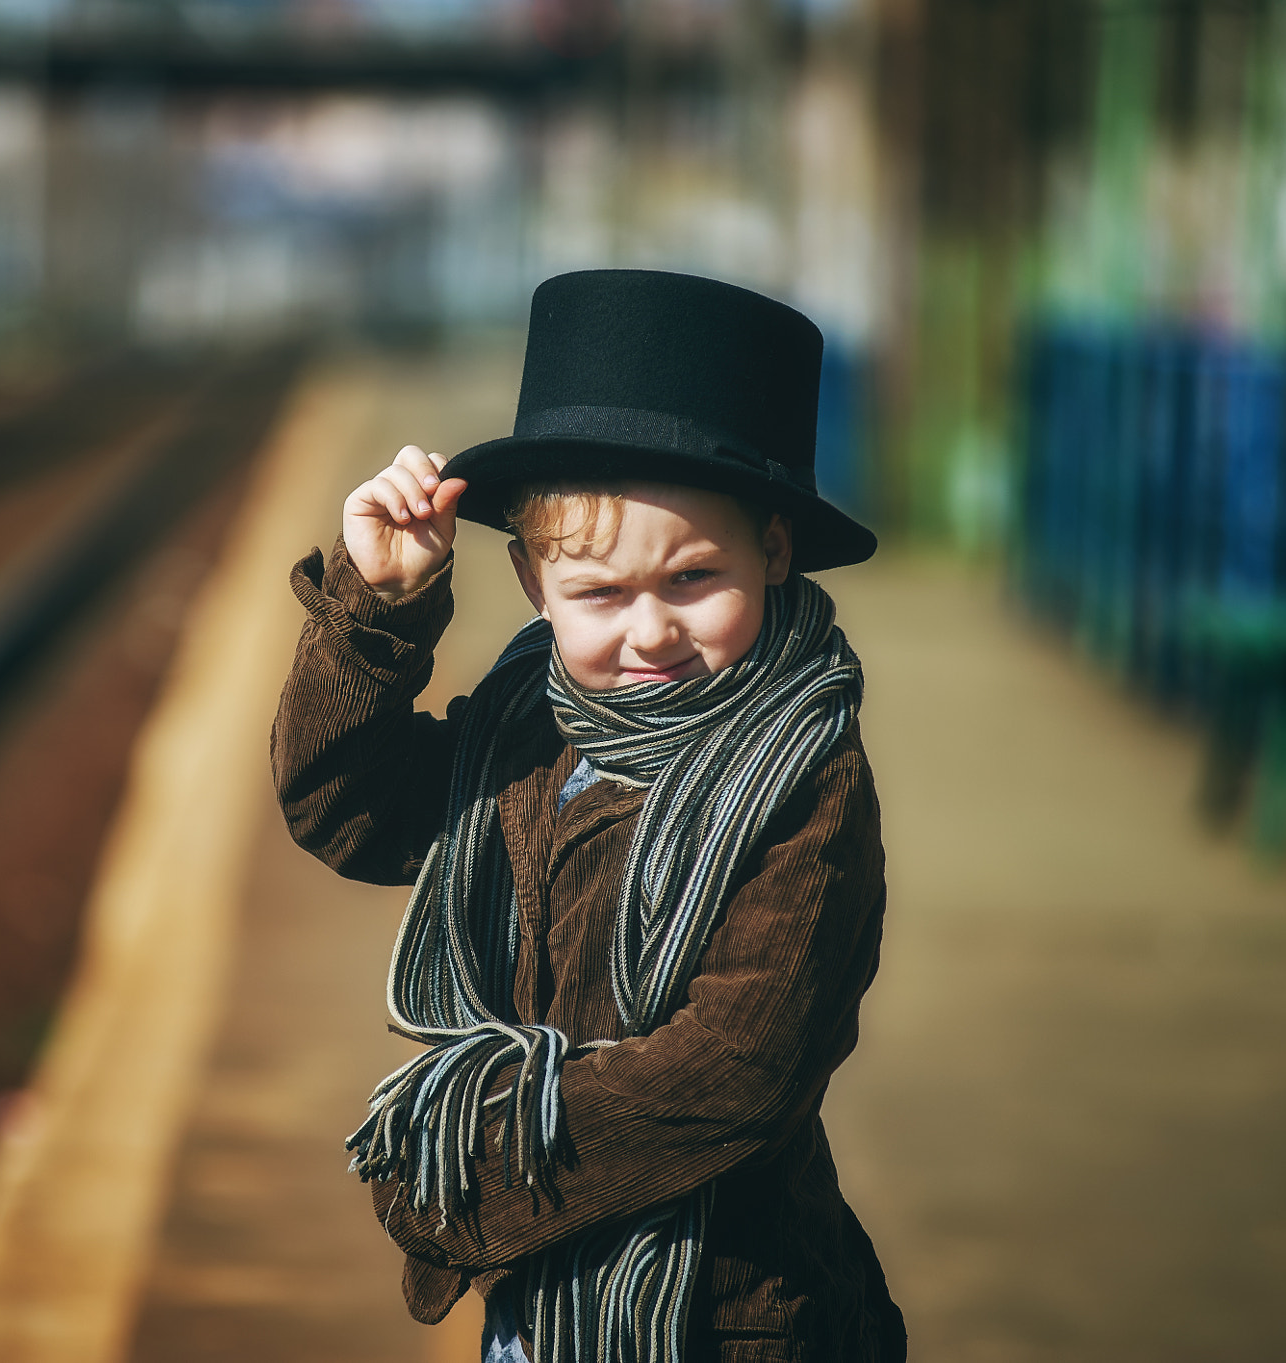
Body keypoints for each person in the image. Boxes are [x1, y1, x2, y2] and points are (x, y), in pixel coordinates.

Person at [272, 269, 906, 1363]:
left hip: (732, 1322)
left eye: (694, 577)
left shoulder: (803, 776)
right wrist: (374, 609)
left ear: (774, 550)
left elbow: (731, 1071)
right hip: (538, 1316)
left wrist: (468, 1180)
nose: (651, 632)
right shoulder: (528, 728)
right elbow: (346, 808)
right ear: (531, 584)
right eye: (601, 595)